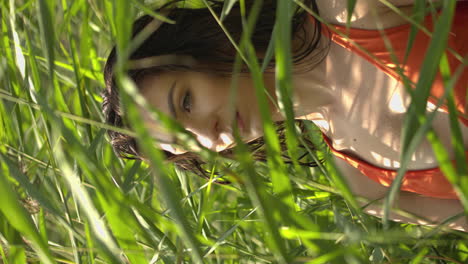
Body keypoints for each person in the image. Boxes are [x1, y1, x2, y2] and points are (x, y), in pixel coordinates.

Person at [102, 0, 468, 231]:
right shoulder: (365, 187)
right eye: (186, 141)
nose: (208, 134)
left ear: (209, 43)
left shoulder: (352, 8)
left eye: (186, 102)